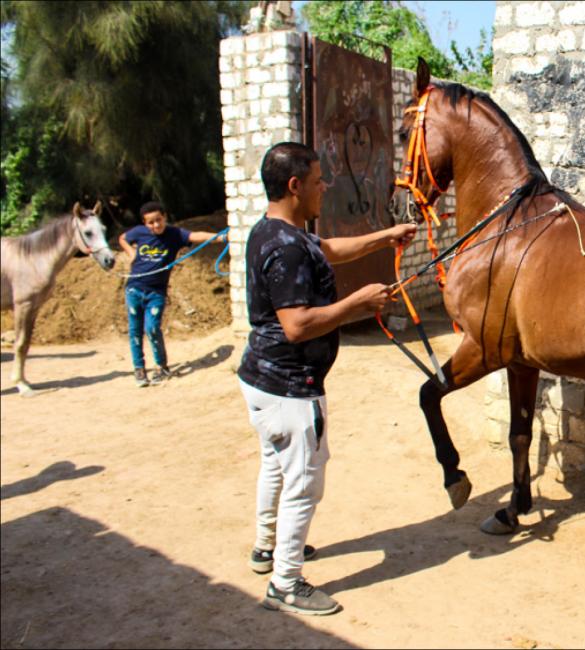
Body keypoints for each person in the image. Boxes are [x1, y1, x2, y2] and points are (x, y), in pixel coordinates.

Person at [238, 141, 417, 616]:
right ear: (295, 186)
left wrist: (387, 236)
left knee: (275, 467)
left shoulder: (275, 232)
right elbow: (297, 325)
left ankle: (265, 548)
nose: (325, 187)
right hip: (290, 387)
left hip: (261, 378)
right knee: (304, 483)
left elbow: (329, 249)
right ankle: (286, 582)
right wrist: (355, 306)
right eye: (319, 181)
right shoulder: (286, 249)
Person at [119, 202, 220, 387]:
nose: (156, 225)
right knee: (135, 330)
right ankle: (139, 369)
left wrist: (221, 237)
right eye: (151, 222)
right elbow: (123, 238)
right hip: (134, 288)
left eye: (159, 220)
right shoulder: (139, 232)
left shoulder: (174, 234)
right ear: (144, 223)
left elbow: (195, 236)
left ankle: (161, 366)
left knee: (152, 328)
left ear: (164, 217)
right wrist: (131, 252)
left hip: (156, 292)